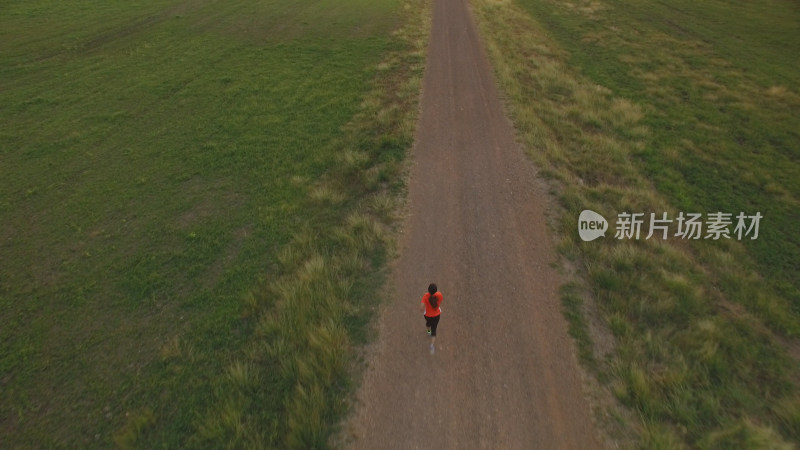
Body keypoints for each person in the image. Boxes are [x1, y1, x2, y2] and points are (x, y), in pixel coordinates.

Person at [419, 283, 443, 354]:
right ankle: (432, 345)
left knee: (428, 324)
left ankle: (428, 332)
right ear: (436, 290)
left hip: (427, 315)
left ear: (428, 290)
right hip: (436, 315)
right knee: (434, 329)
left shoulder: (425, 296)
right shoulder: (439, 295)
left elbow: (421, 308)